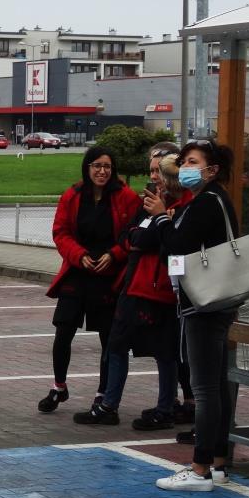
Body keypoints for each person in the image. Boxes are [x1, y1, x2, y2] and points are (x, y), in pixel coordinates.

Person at [145, 140, 238, 492]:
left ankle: (200, 470)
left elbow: (178, 245)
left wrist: (160, 217)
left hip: (204, 304)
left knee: (205, 388)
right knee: (216, 384)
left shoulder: (206, 202)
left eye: (192, 162)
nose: (184, 167)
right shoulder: (215, 199)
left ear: (211, 170)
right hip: (218, 301)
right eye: (183, 161)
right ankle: (217, 463)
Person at [73, 147, 188, 428]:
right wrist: (142, 233)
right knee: (116, 344)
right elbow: (129, 236)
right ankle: (109, 405)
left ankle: (165, 408)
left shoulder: (181, 205)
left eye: (159, 171)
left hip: (159, 288)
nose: (154, 177)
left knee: (164, 351)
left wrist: (150, 229)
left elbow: (155, 240)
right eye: (151, 171)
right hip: (134, 283)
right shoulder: (149, 204)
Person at [39, 146, 141, 413]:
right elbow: (60, 232)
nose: (102, 171)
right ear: (87, 168)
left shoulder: (126, 197)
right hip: (77, 272)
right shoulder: (72, 195)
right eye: (96, 166)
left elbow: (133, 234)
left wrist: (114, 254)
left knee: (108, 338)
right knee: (63, 331)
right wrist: (79, 255)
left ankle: (102, 393)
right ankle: (59, 387)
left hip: (109, 277)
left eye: (107, 166)